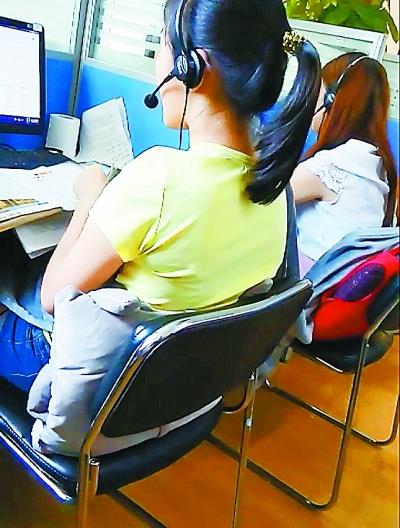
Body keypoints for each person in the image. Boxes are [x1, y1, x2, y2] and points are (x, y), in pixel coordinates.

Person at [0, 0, 320, 392]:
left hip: (93, 380)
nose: (156, 63)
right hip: (175, 390)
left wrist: (89, 200)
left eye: (162, 46)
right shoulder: (276, 191)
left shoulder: (159, 178)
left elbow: (54, 297)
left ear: (192, 67)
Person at [291, 52, 398, 277]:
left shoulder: (332, 166)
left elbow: (257, 196)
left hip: (299, 287)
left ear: (331, 100)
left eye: (317, 91)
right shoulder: (377, 167)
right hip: (327, 288)